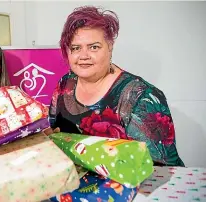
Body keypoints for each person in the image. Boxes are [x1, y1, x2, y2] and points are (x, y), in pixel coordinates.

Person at [48, 6, 184, 166]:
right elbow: (54, 134)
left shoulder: (142, 97)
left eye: (94, 47)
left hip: (134, 187)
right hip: (75, 184)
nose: (84, 56)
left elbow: (158, 168)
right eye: (76, 48)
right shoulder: (66, 84)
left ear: (110, 47)